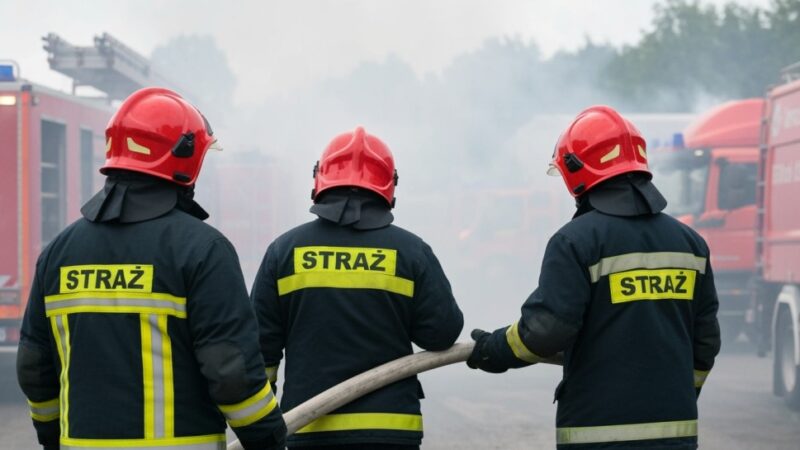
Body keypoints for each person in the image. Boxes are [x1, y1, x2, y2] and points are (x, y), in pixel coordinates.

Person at [16, 87, 286, 450]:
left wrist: (52, 437)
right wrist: (268, 439)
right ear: (185, 156)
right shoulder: (203, 249)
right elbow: (231, 373)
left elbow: (34, 366)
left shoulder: (59, 252)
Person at [466, 105, 721, 449]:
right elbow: (706, 342)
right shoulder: (691, 243)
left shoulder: (575, 241)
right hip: (675, 434)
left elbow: (546, 331)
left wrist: (492, 350)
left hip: (598, 435)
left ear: (575, 170)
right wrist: (680, 392)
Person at [251, 126, 464, 450]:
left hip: (307, 428)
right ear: (389, 184)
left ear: (320, 179)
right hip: (390, 431)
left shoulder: (284, 251)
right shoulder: (411, 252)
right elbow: (442, 333)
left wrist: (262, 426)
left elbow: (259, 350)